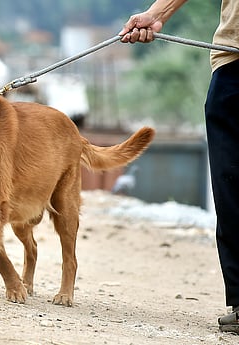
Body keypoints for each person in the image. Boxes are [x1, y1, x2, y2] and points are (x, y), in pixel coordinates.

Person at [119, 0, 239, 334]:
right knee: (231, 190)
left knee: (233, 189)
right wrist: (156, 15)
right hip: (233, 60)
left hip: (233, 66)